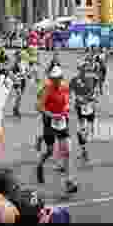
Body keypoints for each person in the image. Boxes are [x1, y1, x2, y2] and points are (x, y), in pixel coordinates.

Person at [36, 66, 78, 194]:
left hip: (61, 121)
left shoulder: (64, 87)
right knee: (49, 151)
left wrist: (66, 108)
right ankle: (40, 164)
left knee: (66, 151)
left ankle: (69, 182)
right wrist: (51, 115)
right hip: (49, 120)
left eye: (58, 78)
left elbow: (67, 100)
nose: (56, 81)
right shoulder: (46, 89)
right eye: (53, 79)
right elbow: (38, 107)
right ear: (50, 79)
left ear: (61, 78)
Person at [69, 61, 99, 162]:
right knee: (82, 129)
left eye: (85, 69)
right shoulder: (74, 80)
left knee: (88, 129)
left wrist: (92, 98)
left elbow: (95, 92)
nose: (84, 70)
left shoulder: (91, 79)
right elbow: (69, 93)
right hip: (81, 107)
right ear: (79, 69)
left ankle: (84, 145)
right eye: (83, 68)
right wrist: (75, 99)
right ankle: (84, 150)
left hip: (89, 106)